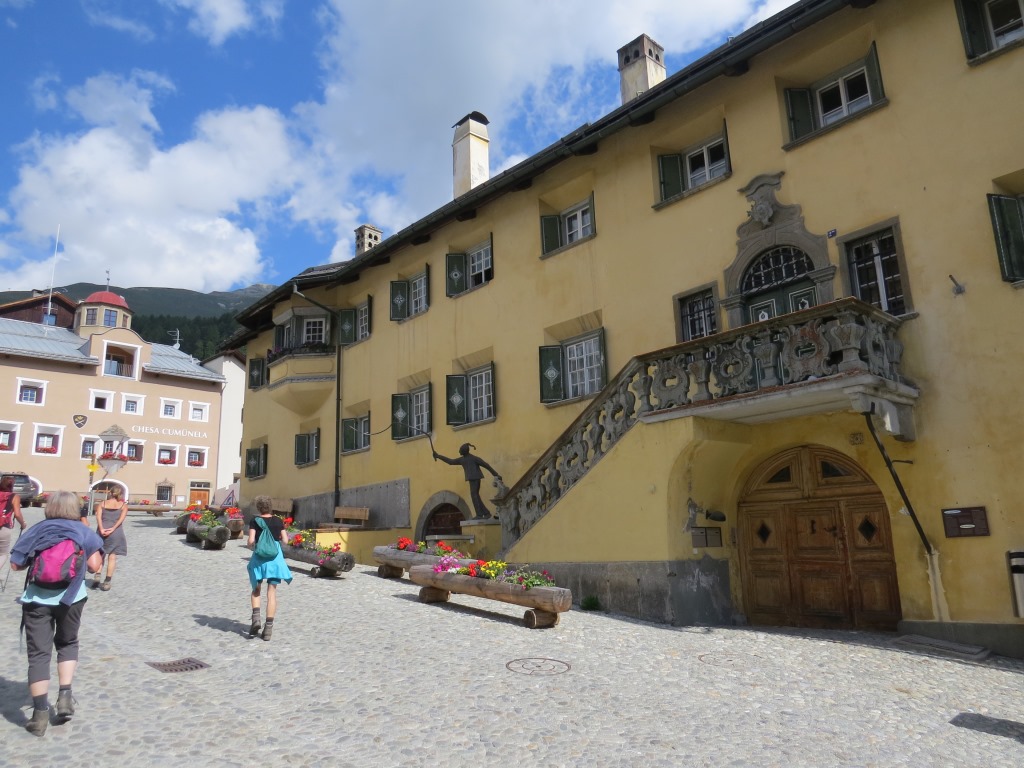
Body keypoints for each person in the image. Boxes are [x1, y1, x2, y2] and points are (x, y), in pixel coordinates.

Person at [10, 490, 104, 737]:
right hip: (72, 598)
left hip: (37, 599)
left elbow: (16, 565)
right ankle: (64, 697)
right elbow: (95, 566)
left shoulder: (38, 530)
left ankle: (39, 715)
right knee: (68, 643)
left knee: (38, 654)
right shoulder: (82, 531)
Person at [246, 495, 292, 641]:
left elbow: (251, 541)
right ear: (270, 507)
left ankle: (256, 619)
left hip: (260, 559)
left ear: (259, 508)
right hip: (275, 560)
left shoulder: (255, 521)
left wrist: (252, 544)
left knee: (256, 589)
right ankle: (268, 630)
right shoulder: (278, 521)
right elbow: (286, 540)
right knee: (271, 593)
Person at [433, 443, 503, 519]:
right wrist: (438, 456)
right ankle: (485, 513)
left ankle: (480, 514)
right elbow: (450, 462)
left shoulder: (468, 459)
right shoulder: (465, 459)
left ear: (464, 451)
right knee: (475, 495)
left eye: (460, 450)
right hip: (474, 479)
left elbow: (485, 465)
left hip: (474, 479)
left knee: (474, 496)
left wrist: (496, 474)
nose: (459, 451)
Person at [93, 485, 128, 591]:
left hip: (101, 531)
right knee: (112, 557)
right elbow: (121, 520)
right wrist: (112, 529)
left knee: (100, 555)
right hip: (116, 533)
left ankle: (97, 576)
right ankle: (107, 582)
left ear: (110, 493)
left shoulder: (102, 504)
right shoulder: (123, 506)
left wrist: (101, 528)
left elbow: (98, 517)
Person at [0, 475, 28, 564]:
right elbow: (17, 514)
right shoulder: (14, 497)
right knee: (3, 554)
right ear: (12, 486)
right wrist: (23, 524)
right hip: (3, 526)